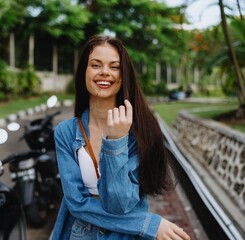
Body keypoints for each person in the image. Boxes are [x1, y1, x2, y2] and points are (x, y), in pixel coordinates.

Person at [51, 34, 191, 240]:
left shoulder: (141, 131)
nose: (105, 72)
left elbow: (118, 204)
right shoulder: (66, 132)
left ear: (124, 75)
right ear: (84, 72)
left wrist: (116, 142)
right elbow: (76, 204)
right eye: (96, 65)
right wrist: (148, 223)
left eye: (114, 67)